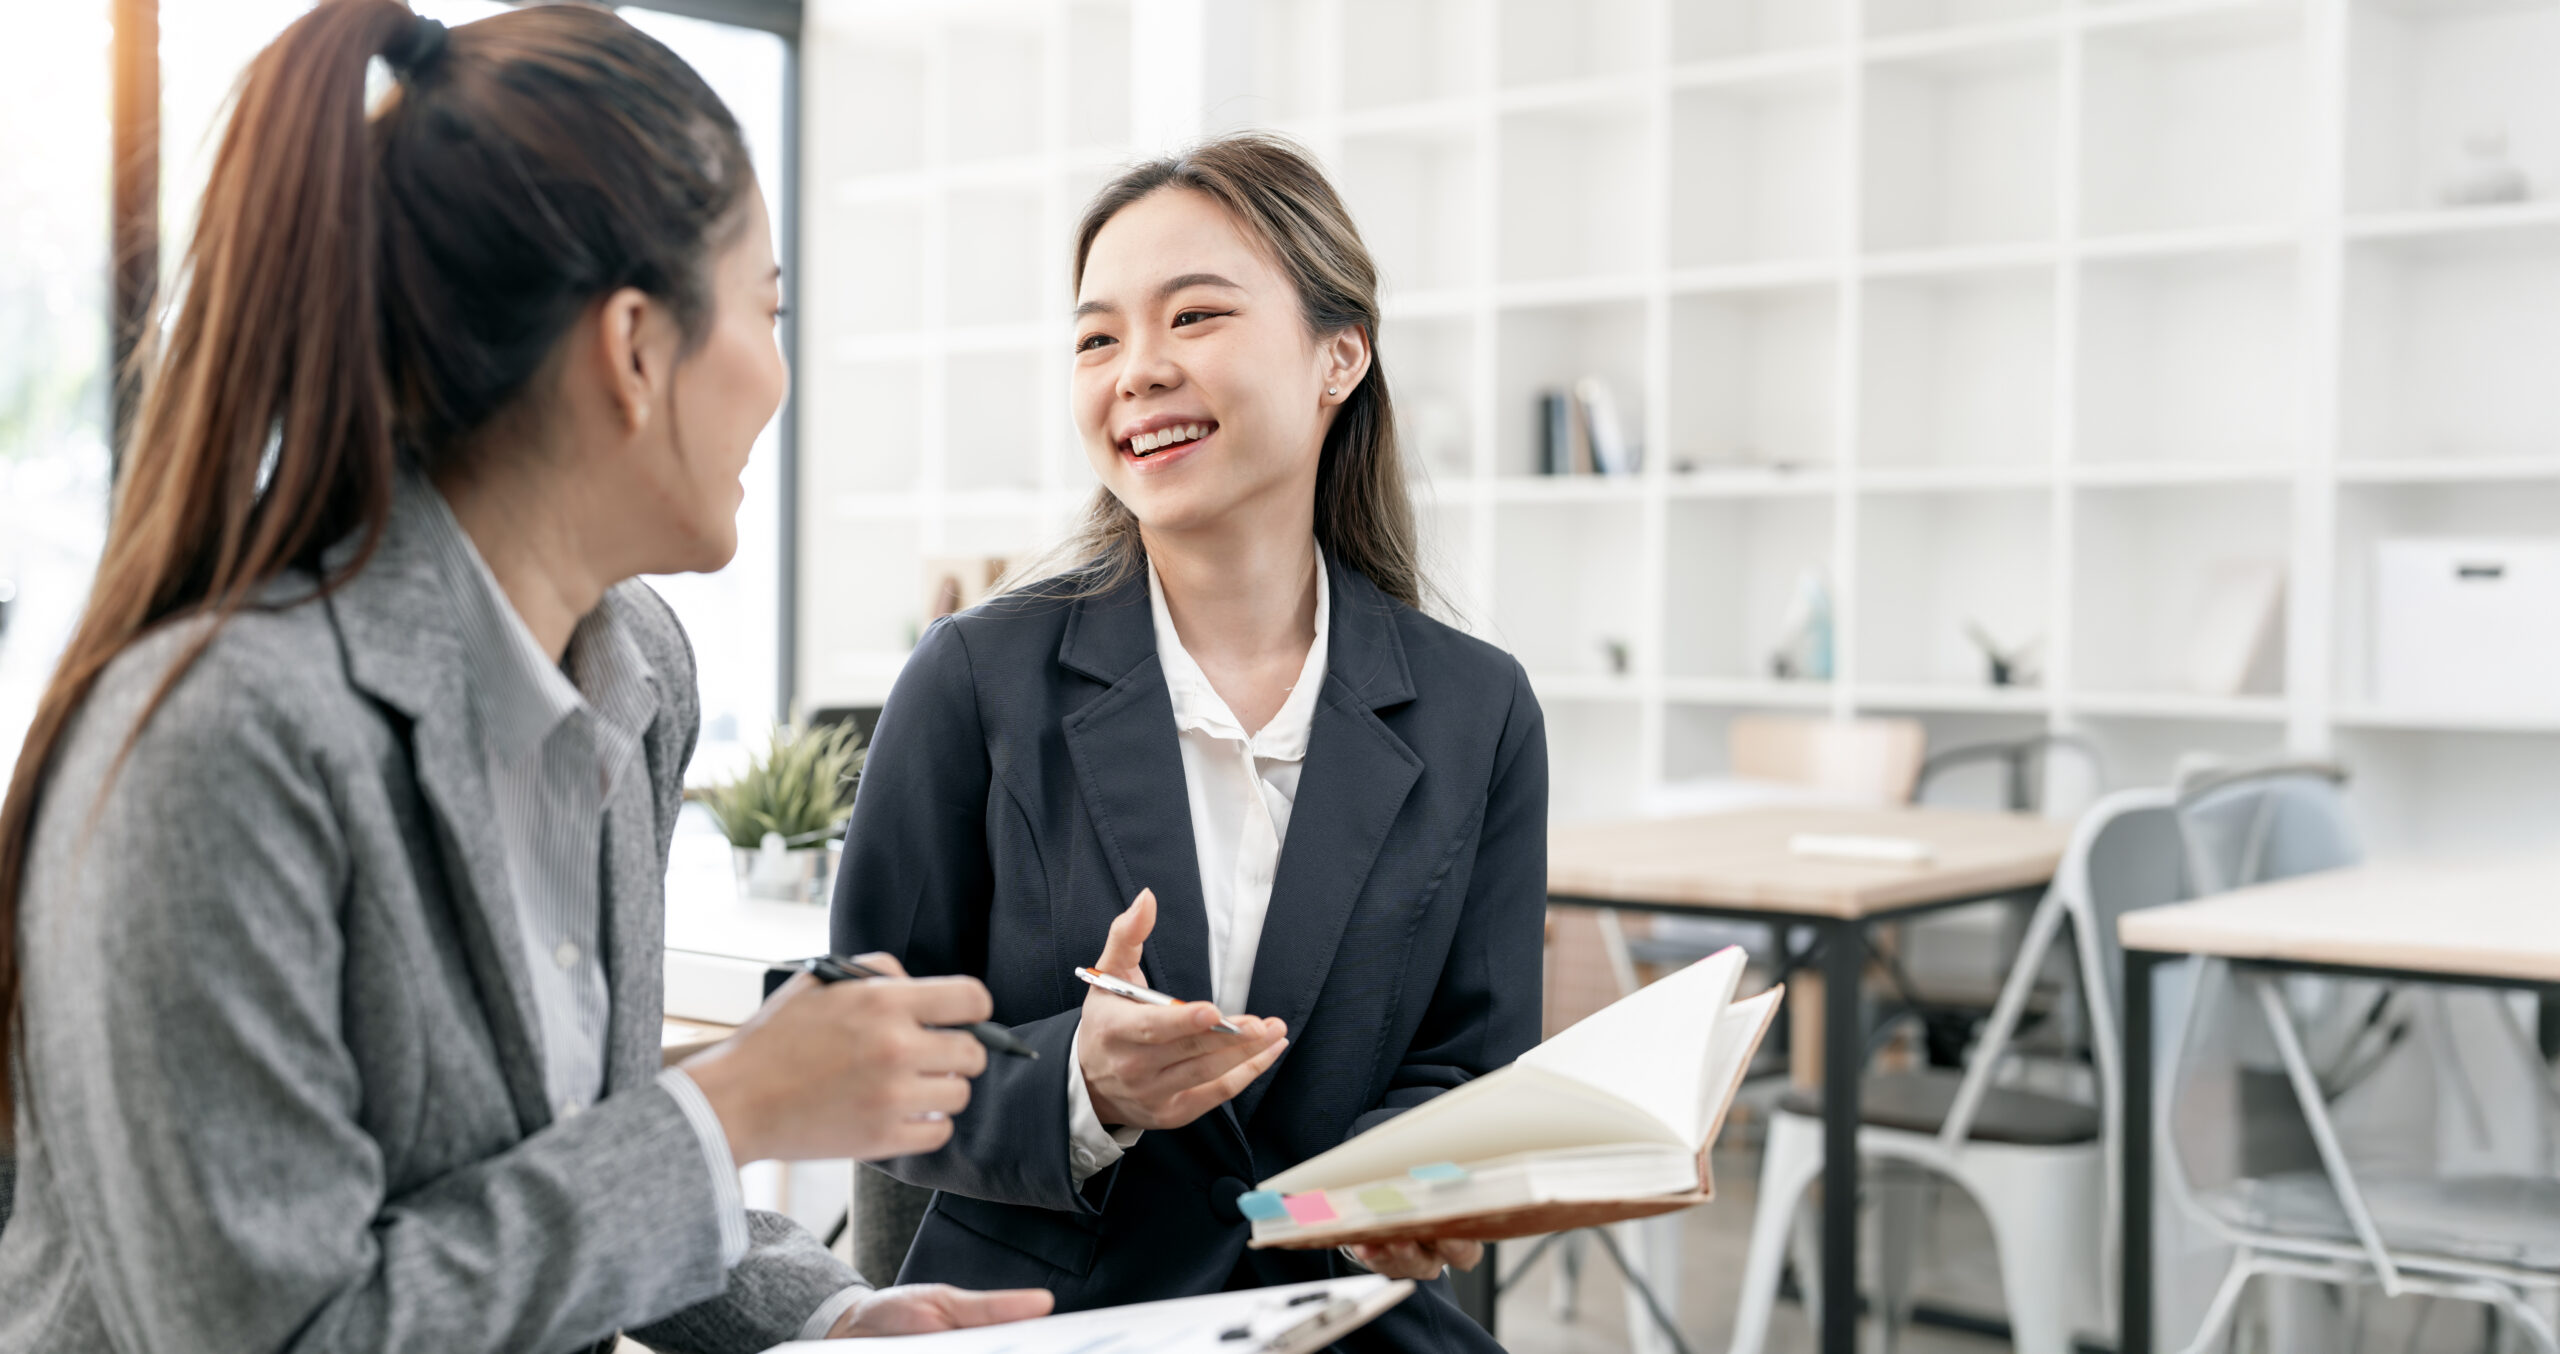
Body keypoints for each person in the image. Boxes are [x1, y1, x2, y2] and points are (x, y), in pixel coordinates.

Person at [0, 5, 1049, 1350]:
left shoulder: (637, 673)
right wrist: (731, 1106)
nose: (780, 378)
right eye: (768, 310)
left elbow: (574, 1177)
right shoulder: (223, 739)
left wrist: (833, 1313)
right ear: (634, 349)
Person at [830, 133, 1547, 1353]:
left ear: (1339, 355)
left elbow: (1471, 1063)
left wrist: (1409, 1184)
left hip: (1345, 1320)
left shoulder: (1478, 708)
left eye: (1194, 316)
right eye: (1096, 338)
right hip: (1049, 1324)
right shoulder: (974, 680)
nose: (1138, 371)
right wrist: (1079, 1084)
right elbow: (858, 1053)